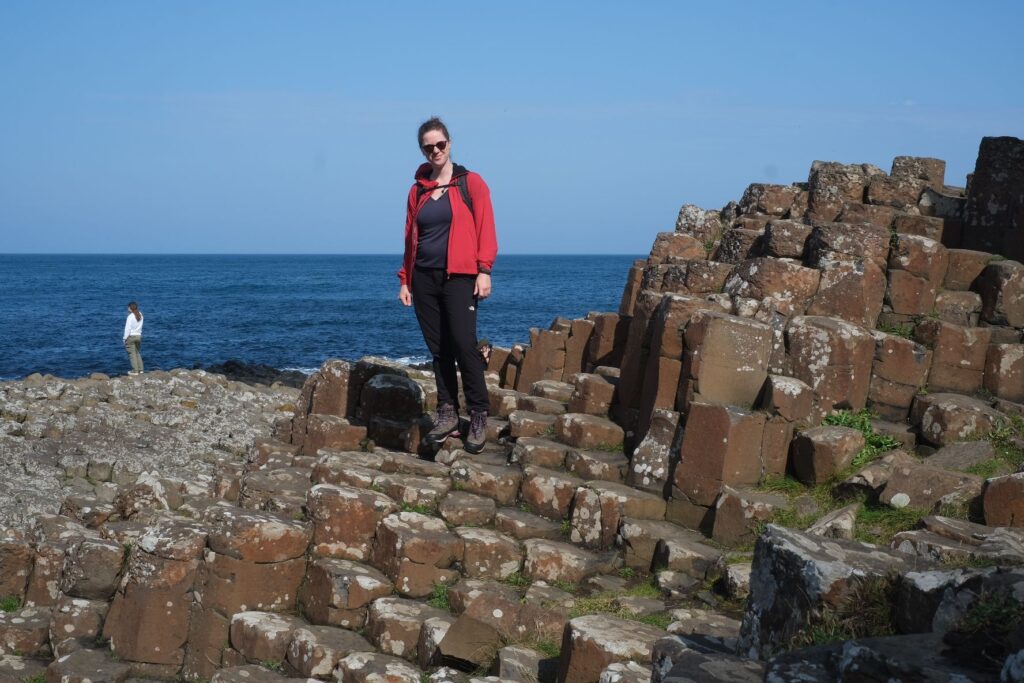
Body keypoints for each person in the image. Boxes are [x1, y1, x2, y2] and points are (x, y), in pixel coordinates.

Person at [398, 117, 498, 454]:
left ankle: (479, 413)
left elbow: (486, 227)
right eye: (429, 147)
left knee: (464, 344)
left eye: (440, 144)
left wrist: (484, 270)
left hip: (460, 277)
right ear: (422, 150)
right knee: (439, 348)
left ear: (449, 143)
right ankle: (448, 412)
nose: (435, 151)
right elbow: (410, 237)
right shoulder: (417, 190)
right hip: (423, 278)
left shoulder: (471, 183)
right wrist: (405, 279)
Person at [123, 301, 144, 375]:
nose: (127, 309)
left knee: (132, 354)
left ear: (130, 308)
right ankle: (141, 370)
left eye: (128, 307)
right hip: (138, 336)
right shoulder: (140, 315)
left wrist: (124, 338)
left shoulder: (130, 317)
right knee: (137, 353)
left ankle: (135, 371)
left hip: (131, 337)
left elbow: (127, 329)